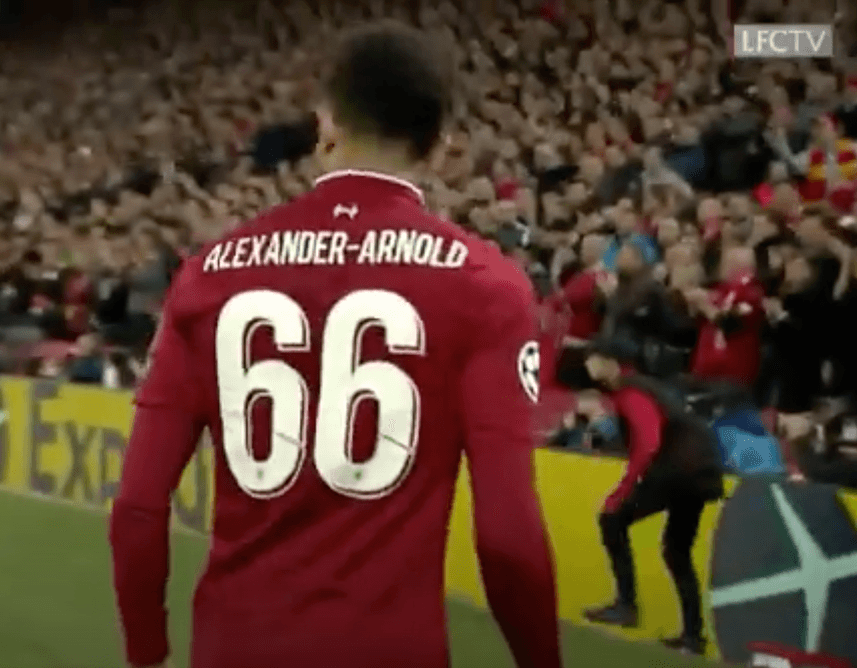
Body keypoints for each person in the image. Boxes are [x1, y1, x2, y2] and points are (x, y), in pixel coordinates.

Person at [110, 21, 562, 668]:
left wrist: (146, 652)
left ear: (325, 125)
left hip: (236, 650)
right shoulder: (485, 286)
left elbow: (137, 508)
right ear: (439, 147)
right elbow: (508, 538)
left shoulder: (212, 271)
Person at [579, 338, 726, 655]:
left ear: (611, 362)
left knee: (611, 520)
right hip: (700, 471)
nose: (587, 364)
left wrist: (623, 490)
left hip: (674, 469)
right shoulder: (645, 386)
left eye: (592, 358)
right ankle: (692, 637)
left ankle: (626, 605)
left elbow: (648, 442)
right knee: (677, 551)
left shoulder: (631, 390)